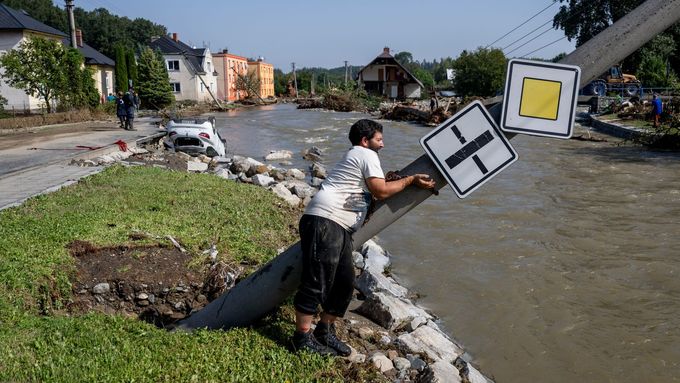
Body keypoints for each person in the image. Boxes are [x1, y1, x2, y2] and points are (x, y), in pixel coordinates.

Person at [291, 119, 436, 356]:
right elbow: (380, 190)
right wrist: (410, 180)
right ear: (365, 140)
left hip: (340, 226)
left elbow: (373, 193)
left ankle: (324, 331)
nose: (383, 144)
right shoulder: (365, 153)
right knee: (317, 279)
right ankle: (301, 338)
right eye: (379, 139)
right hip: (326, 220)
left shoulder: (359, 156)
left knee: (345, 282)